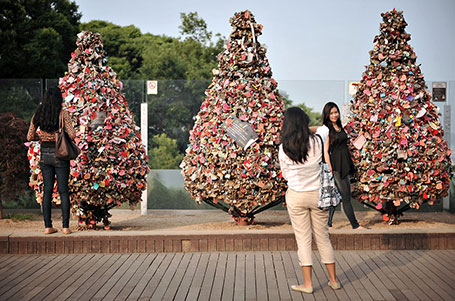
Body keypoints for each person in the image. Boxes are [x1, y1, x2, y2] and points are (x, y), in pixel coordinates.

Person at [279, 107, 341, 294]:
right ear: (305, 122)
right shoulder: (317, 140)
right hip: (317, 195)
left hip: (296, 195)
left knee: (303, 240)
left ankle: (307, 284)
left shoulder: (283, 148)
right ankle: (333, 280)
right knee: (323, 237)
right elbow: (324, 128)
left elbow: (285, 174)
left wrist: (294, 132)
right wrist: (306, 129)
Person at [27, 87, 76, 235]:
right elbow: (72, 135)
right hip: (60, 155)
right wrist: (60, 137)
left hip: (44, 155)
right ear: (58, 98)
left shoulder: (38, 113)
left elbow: (29, 136)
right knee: (63, 191)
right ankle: (65, 227)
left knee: (47, 190)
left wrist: (41, 137)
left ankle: (48, 226)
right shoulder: (62, 114)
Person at [318, 102, 364, 230]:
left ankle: (328, 224)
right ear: (327, 114)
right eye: (331, 113)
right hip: (336, 165)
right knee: (345, 196)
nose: (334, 115)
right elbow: (325, 150)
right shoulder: (327, 129)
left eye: (336, 112)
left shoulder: (340, 126)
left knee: (337, 194)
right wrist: (329, 167)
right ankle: (355, 225)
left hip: (345, 162)